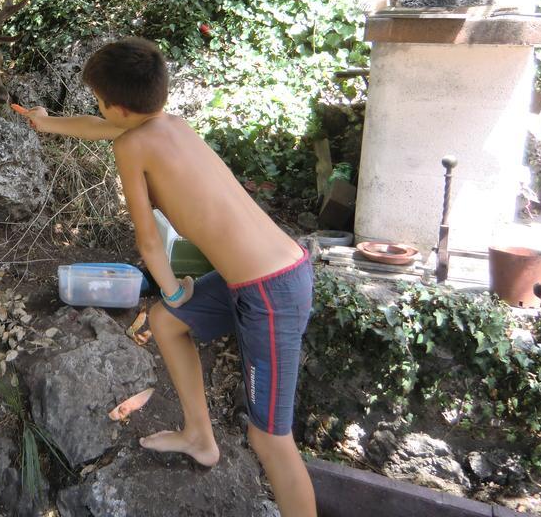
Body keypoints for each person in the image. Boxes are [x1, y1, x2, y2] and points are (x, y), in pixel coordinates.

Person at [17, 37, 316, 517]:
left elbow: (149, 244)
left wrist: (175, 287)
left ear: (115, 105)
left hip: (272, 291)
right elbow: (103, 127)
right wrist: (46, 122)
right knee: (166, 320)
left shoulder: (132, 147)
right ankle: (200, 435)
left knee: (270, 438)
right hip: (263, 276)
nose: (99, 110)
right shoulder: (168, 124)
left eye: (98, 101)